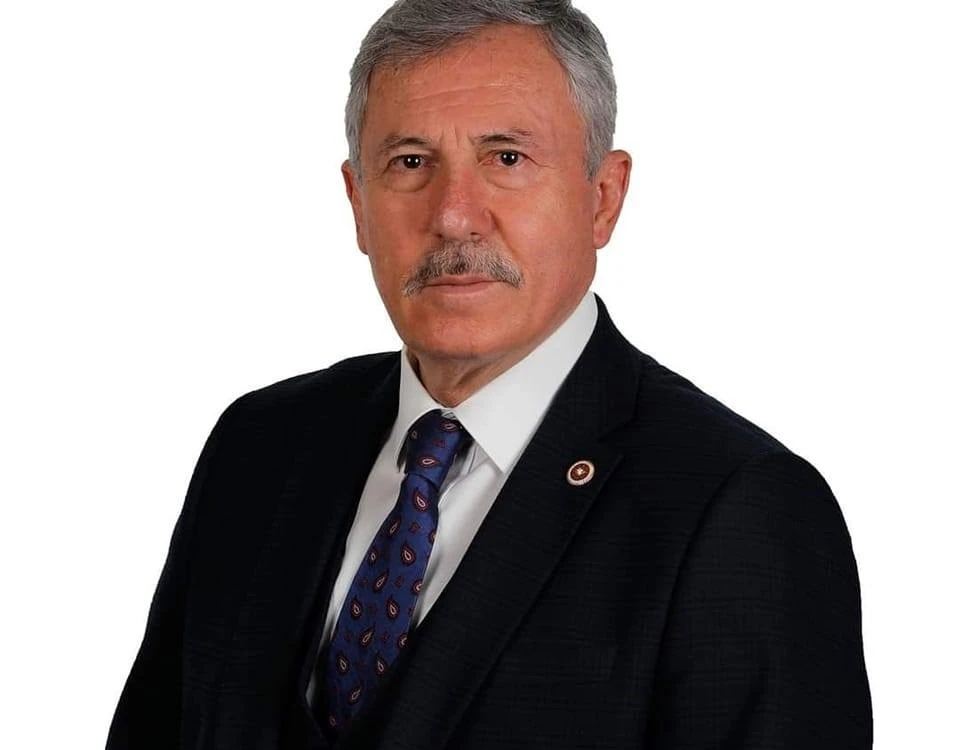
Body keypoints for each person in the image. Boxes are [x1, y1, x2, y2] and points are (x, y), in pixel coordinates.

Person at [107, 1, 872, 748]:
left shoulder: (737, 508)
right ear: (358, 203)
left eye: (507, 158)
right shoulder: (258, 447)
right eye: (410, 162)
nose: (454, 215)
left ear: (603, 198)